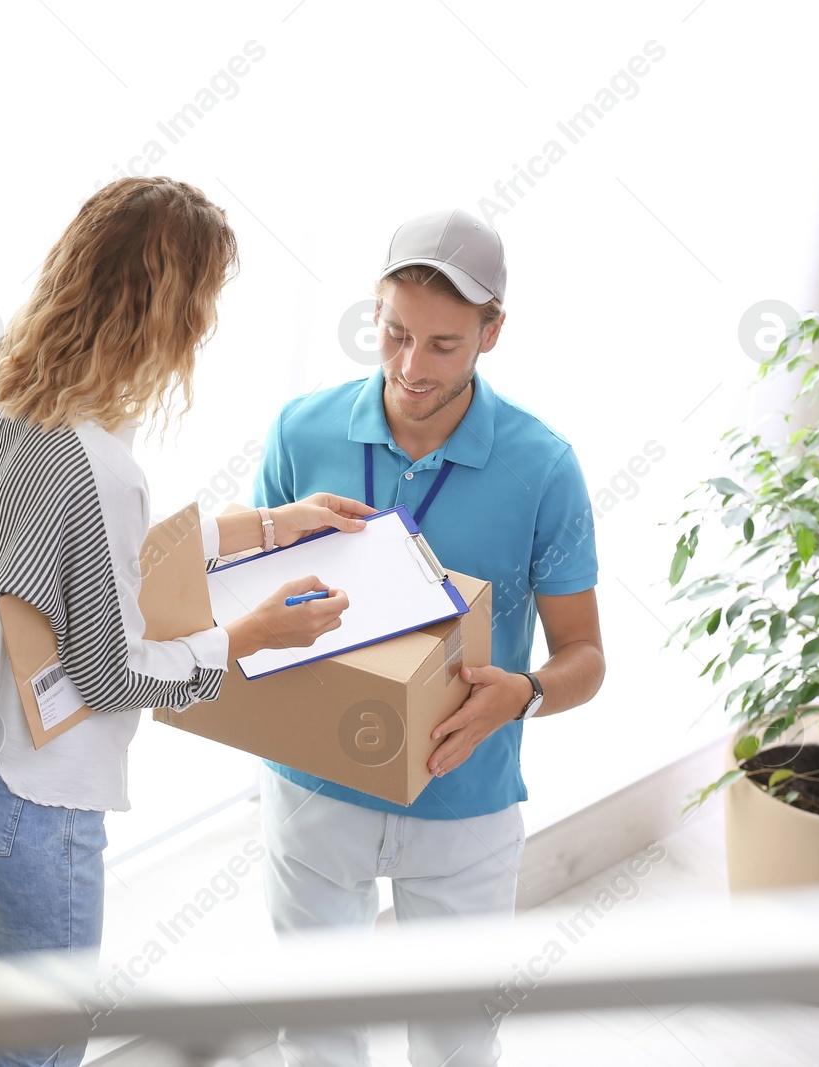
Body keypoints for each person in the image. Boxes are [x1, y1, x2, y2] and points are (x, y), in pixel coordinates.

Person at [0, 175, 374, 1067]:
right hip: (40, 807)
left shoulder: (13, 396)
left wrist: (269, 524)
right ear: (167, 312)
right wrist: (249, 636)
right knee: (39, 1054)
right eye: (201, 304)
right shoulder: (100, 468)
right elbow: (112, 673)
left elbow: (83, 564)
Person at [253, 208, 606, 1067]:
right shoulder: (300, 432)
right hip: (313, 790)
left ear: (493, 332)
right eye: (394, 331)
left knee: (456, 1044)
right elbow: (251, 606)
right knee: (316, 1038)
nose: (412, 367)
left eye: (444, 345)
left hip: (465, 806)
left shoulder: (545, 467)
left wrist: (522, 693)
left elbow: (585, 659)